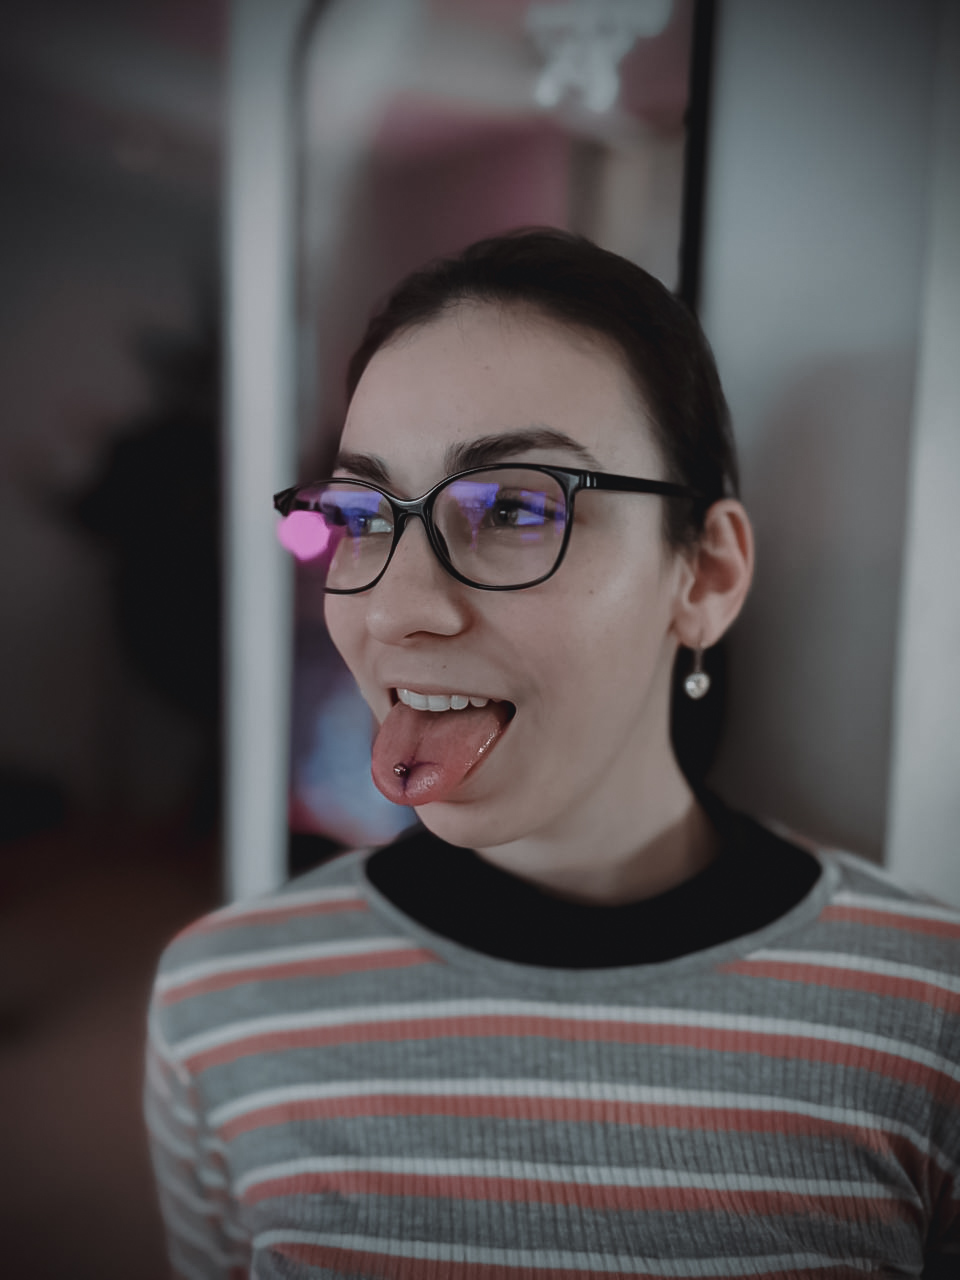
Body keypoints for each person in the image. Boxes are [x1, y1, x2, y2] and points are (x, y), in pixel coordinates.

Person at [145, 230, 960, 1279]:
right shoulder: (222, 1004)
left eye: (515, 507)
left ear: (705, 575)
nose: (395, 608)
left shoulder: (929, 1014)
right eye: (359, 516)